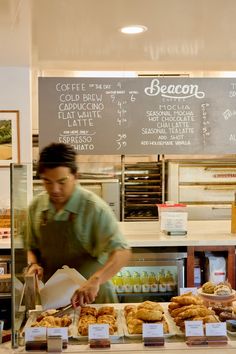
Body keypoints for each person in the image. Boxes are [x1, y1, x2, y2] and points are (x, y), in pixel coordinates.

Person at [25, 142, 131, 306]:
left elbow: (122, 252)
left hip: (92, 298)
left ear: (75, 176)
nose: (54, 189)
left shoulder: (93, 208)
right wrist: (33, 264)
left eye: (62, 181)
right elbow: (31, 246)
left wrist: (96, 279)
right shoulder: (36, 207)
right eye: (47, 181)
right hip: (53, 299)